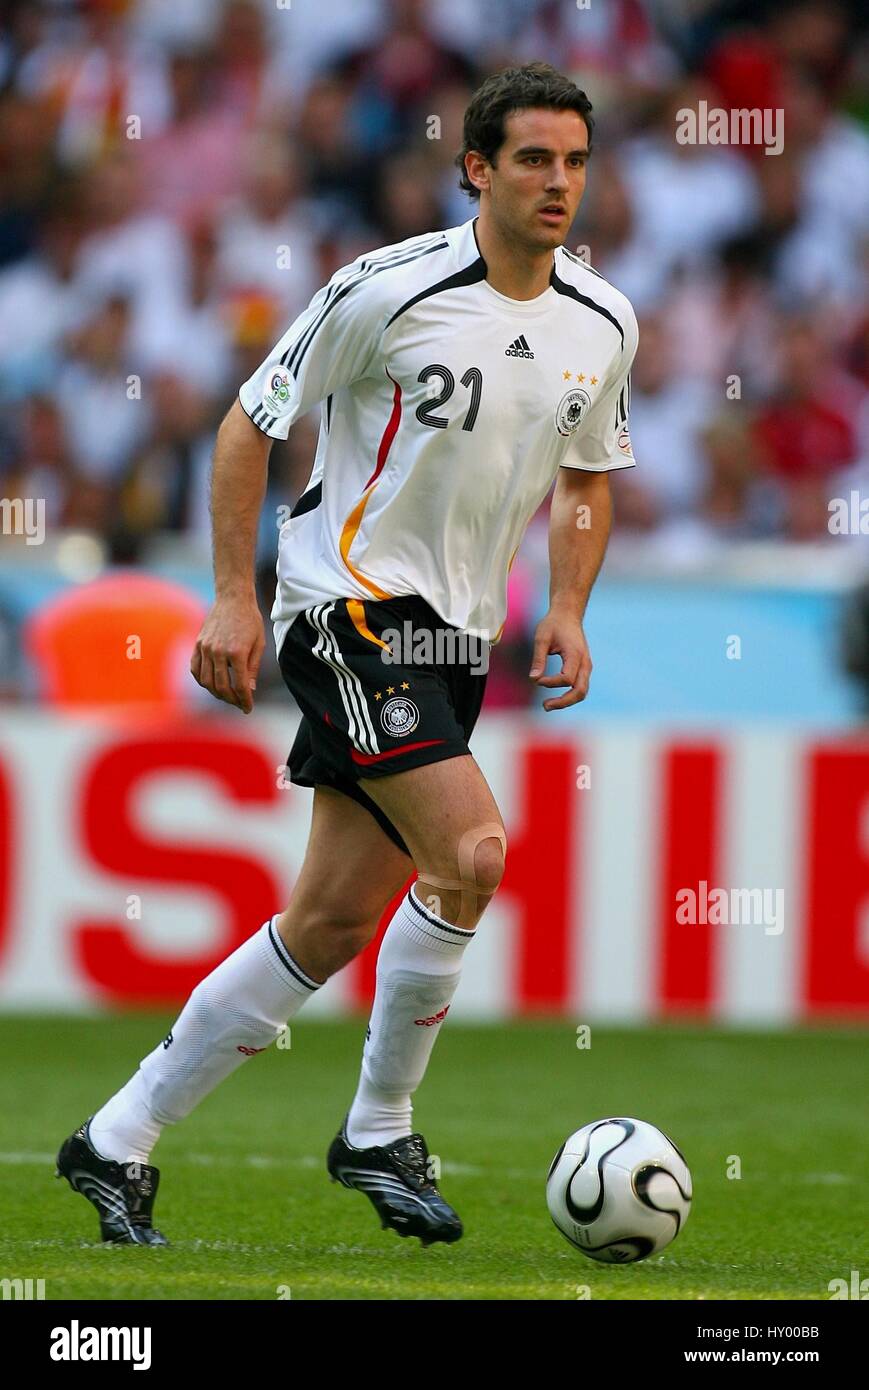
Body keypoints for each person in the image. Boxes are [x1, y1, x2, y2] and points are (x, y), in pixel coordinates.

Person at [56, 61, 639, 1248]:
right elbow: (243, 427)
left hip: (455, 639)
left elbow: (586, 474)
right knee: (471, 850)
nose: (556, 183)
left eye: (573, 162)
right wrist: (230, 599)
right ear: (475, 168)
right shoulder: (385, 289)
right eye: (531, 159)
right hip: (346, 611)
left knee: (324, 923)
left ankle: (112, 1141)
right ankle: (378, 1126)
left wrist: (569, 607)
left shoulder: (602, 320)